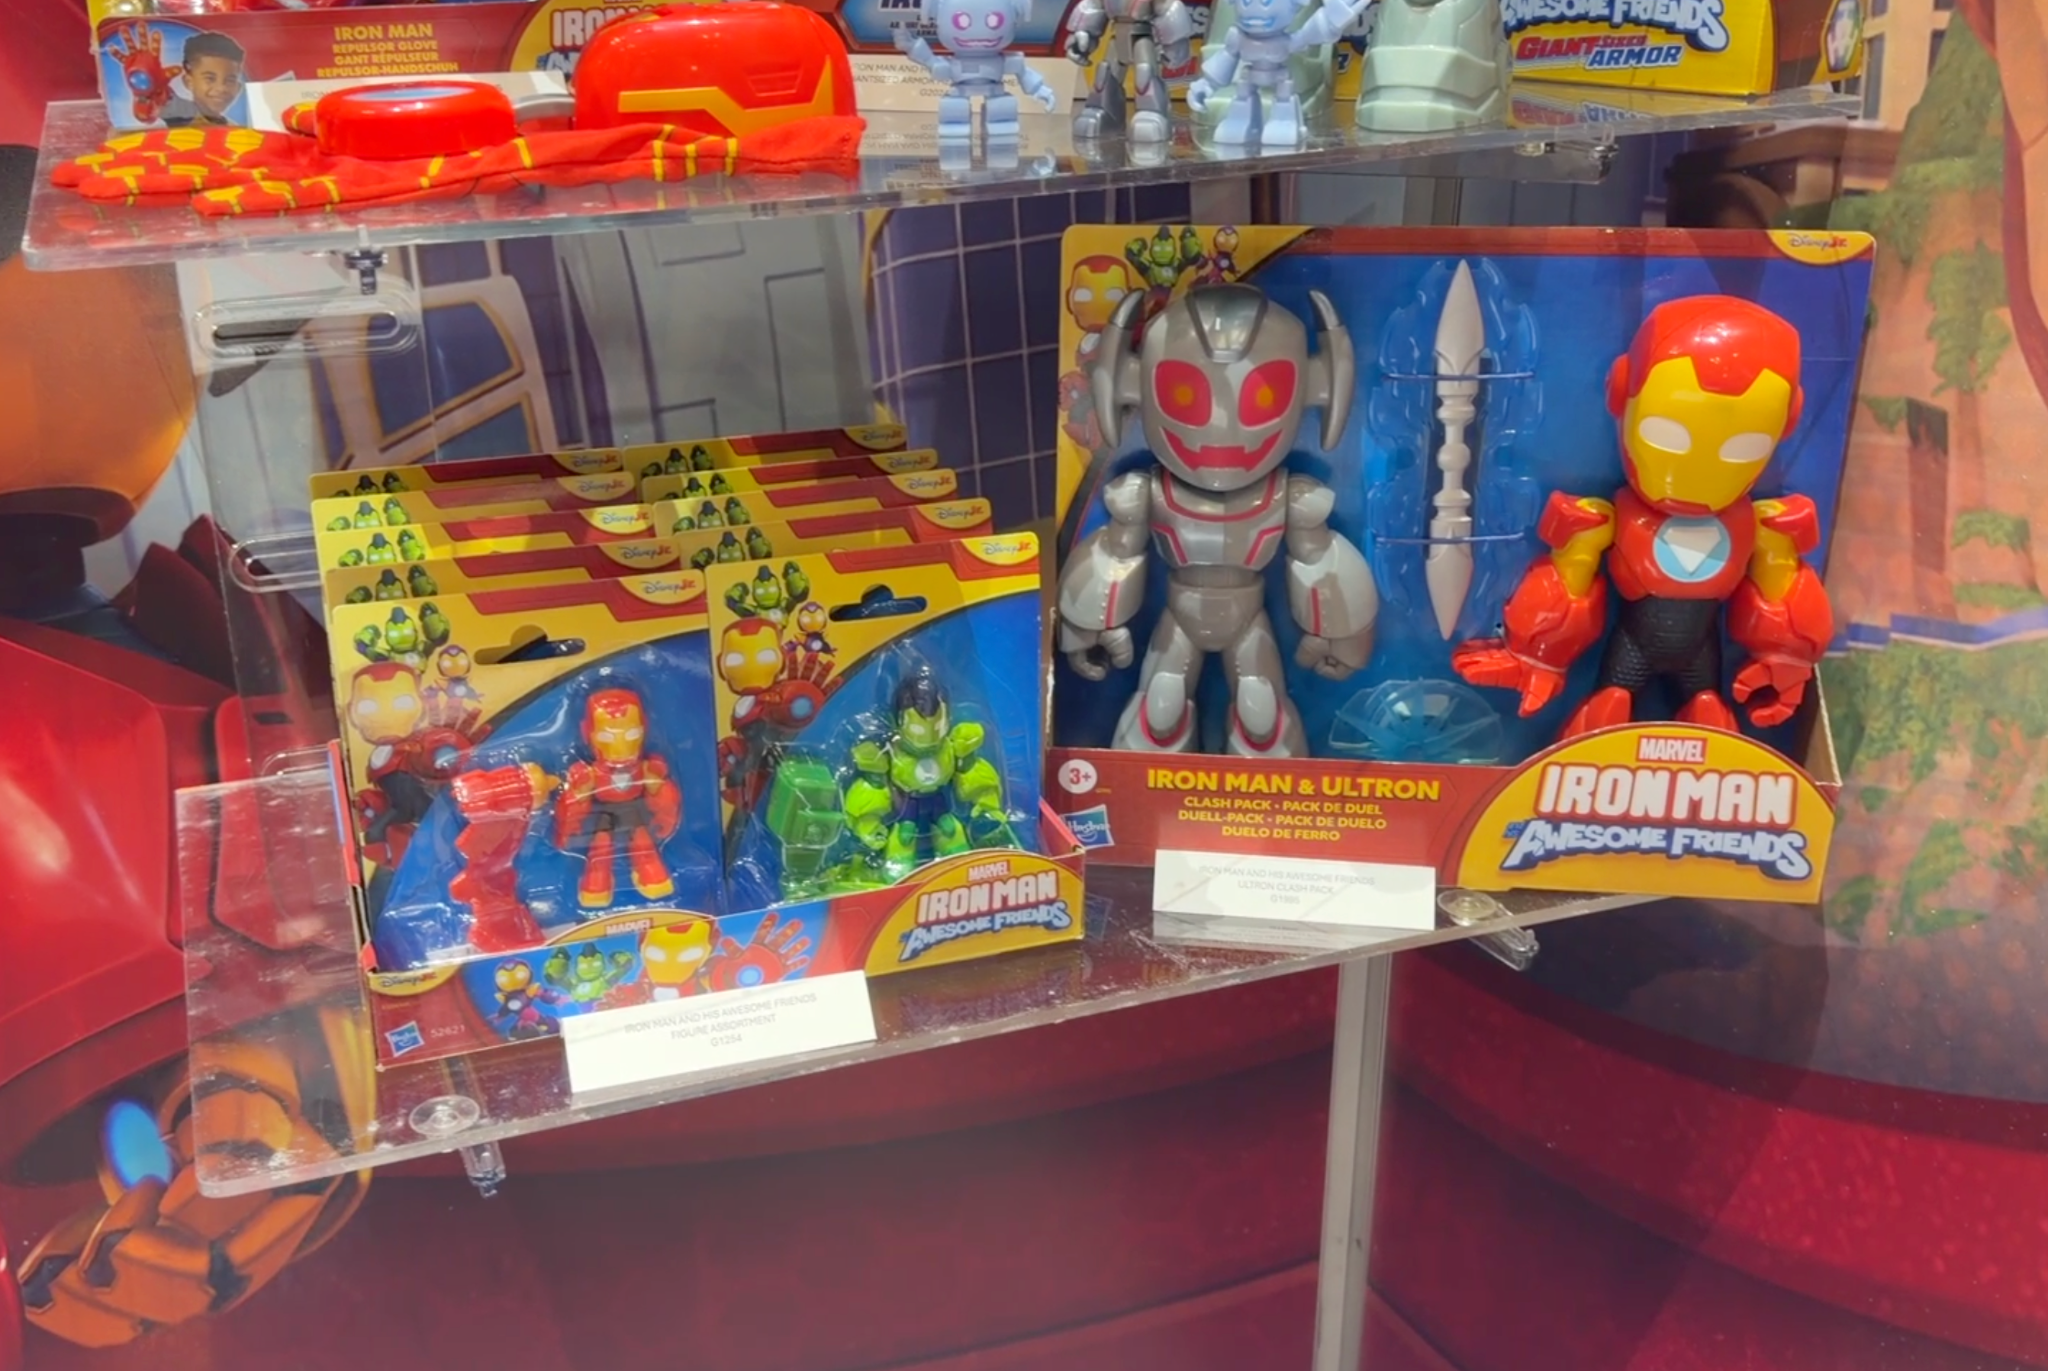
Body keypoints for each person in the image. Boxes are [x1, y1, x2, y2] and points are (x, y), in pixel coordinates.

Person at [162, 30, 245, 127]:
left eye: (230, 81)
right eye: (210, 79)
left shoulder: (234, 129)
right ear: (189, 82)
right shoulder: (176, 119)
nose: (221, 88)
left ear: (238, 87)